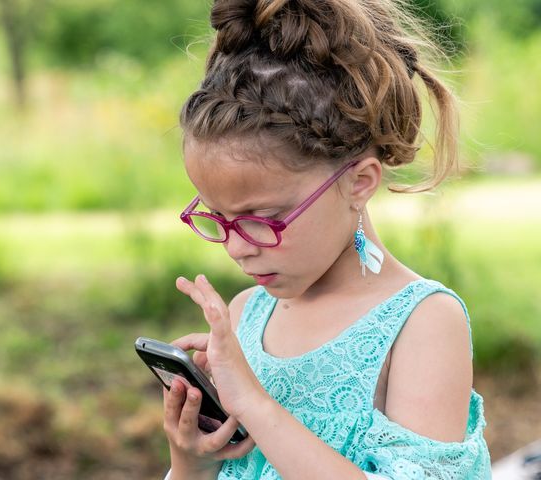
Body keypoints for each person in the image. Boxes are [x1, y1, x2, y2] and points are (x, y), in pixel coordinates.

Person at [161, 0, 491, 478]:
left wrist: (254, 404)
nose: (237, 247)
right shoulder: (246, 316)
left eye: (264, 218)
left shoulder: (422, 323)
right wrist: (192, 460)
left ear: (359, 183)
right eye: (218, 219)